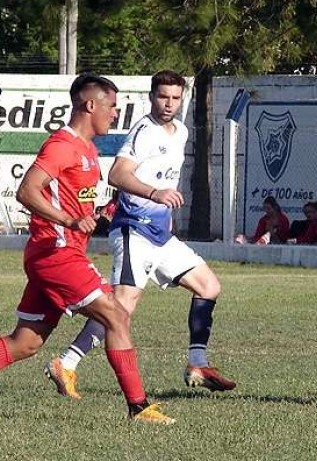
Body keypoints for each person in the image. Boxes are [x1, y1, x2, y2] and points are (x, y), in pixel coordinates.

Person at [0, 72, 175, 425]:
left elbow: (75, 203)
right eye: (111, 106)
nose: (115, 114)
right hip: (57, 254)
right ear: (89, 104)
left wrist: (98, 213)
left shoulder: (89, 150)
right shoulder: (62, 145)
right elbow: (27, 191)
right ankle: (138, 407)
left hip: (55, 253)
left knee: (26, 343)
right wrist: (67, 220)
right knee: (116, 315)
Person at [43, 70, 235, 401]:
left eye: (175, 98)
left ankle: (198, 364)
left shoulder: (182, 131)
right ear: (151, 97)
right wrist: (154, 193)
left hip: (160, 235)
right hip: (134, 232)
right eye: (163, 96)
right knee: (121, 308)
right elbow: (118, 174)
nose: (169, 104)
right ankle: (67, 362)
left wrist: (165, 209)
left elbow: (162, 177)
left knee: (208, 286)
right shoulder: (144, 131)